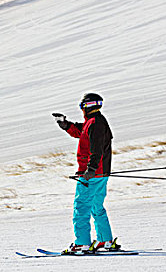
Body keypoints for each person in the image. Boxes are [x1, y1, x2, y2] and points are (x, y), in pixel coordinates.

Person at [54, 93, 121, 254]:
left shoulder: (95, 123)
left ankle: (82, 243)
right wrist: (66, 125)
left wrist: (90, 170)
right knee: (96, 207)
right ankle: (105, 240)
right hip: (101, 173)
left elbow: (96, 149)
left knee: (81, 207)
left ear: (85, 106)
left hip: (91, 174)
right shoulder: (95, 122)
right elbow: (81, 132)